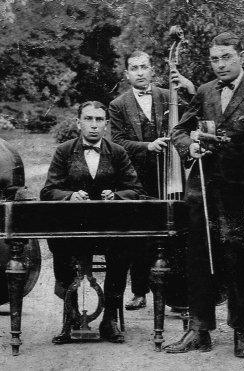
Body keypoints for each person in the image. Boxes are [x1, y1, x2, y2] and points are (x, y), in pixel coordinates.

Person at [166, 31, 244, 357]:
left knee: (235, 259)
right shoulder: (204, 92)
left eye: (226, 57)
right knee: (197, 259)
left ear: (242, 56)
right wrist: (191, 146)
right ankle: (198, 330)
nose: (220, 65)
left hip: (239, 195)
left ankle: (241, 331)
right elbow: (178, 131)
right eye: (215, 59)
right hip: (201, 189)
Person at [40, 101, 145, 343]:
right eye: (88, 119)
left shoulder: (117, 152)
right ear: (78, 123)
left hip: (109, 228)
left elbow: (136, 190)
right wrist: (70, 196)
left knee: (121, 251)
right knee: (62, 251)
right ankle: (71, 319)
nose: (94, 125)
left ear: (106, 124)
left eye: (99, 120)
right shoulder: (64, 151)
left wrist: (116, 196)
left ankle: (110, 320)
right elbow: (48, 191)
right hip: (74, 228)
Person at [110, 50, 196, 311]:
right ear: (126, 74)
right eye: (134, 68)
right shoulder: (118, 104)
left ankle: (177, 296)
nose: (140, 72)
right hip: (137, 177)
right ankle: (139, 291)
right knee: (140, 234)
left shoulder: (167, 95)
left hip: (172, 174)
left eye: (144, 67)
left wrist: (190, 90)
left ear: (152, 70)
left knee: (175, 231)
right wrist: (148, 146)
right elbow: (117, 142)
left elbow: (193, 115)